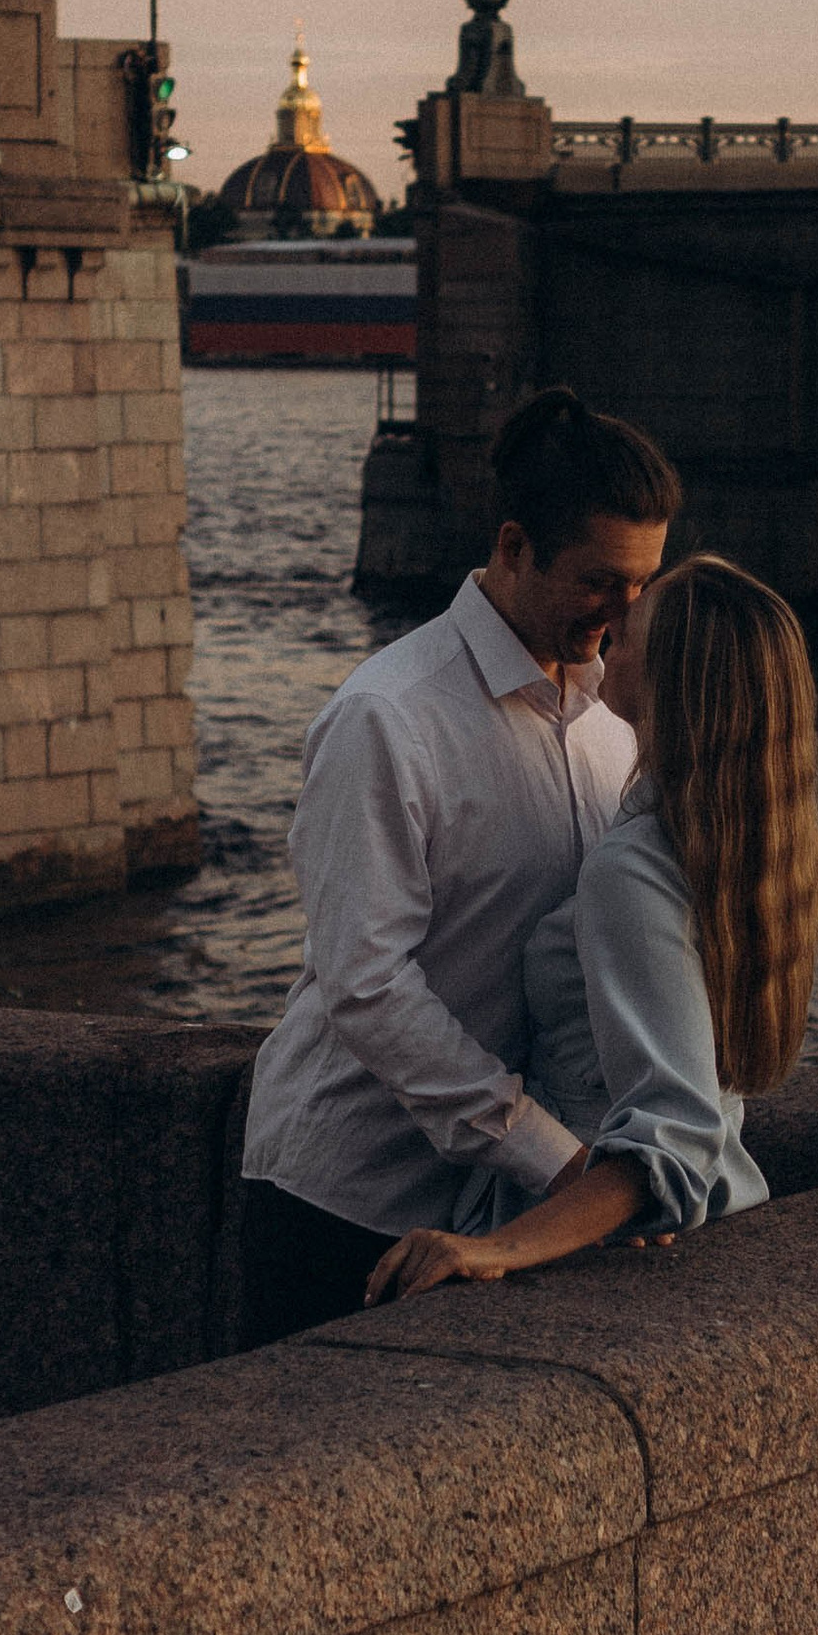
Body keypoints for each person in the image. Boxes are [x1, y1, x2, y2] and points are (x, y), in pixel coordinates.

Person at [236, 386, 681, 1338]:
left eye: (646, 582)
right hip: (348, 1198)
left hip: (511, 1211)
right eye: (603, 579)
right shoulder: (388, 716)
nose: (628, 610)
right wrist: (556, 1161)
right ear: (515, 547)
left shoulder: (619, 713)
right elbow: (365, 985)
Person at [365, 552, 818, 1300]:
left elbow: (669, 1131)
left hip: (597, 1238)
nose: (614, 622)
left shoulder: (636, 869)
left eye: (636, 627)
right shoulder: (751, 846)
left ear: (676, 679)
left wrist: (496, 1250)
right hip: (722, 1213)